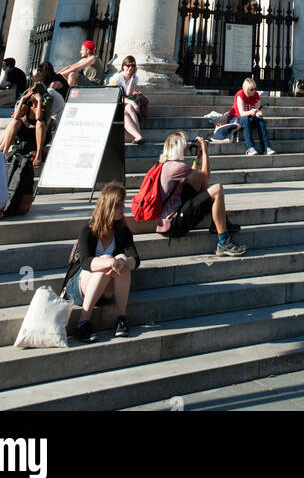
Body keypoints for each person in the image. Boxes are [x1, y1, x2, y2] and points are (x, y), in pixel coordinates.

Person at [155, 130, 246, 257]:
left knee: (201, 183)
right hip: (174, 224)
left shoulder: (168, 165)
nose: (187, 147)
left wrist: (197, 158)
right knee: (217, 189)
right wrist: (205, 148)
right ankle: (224, 242)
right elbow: (206, 175)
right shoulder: (177, 167)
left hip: (168, 221)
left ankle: (218, 222)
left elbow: (196, 177)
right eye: (185, 145)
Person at [71, 182, 139, 342]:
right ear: (108, 206)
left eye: (123, 204)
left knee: (122, 260)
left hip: (106, 290)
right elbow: (85, 262)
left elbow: (135, 258)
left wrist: (126, 263)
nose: (124, 209)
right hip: (80, 288)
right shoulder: (88, 230)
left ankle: (121, 319)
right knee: (108, 260)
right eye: (119, 205)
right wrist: (109, 263)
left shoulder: (123, 231)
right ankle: (82, 323)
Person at [0, 82, 54, 166]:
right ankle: (5, 153)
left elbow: (38, 117)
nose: (33, 96)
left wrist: (40, 100)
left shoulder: (43, 106)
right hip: (26, 133)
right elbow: (15, 116)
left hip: (39, 135)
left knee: (40, 123)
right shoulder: (26, 106)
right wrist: (23, 99)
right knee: (15, 122)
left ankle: (38, 155)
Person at [233, 77, 275, 156]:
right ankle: (250, 148)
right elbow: (241, 113)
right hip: (237, 118)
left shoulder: (256, 95)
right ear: (246, 89)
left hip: (250, 118)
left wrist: (258, 113)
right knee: (245, 119)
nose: (254, 91)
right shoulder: (240, 95)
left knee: (260, 120)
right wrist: (251, 112)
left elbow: (257, 109)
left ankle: (266, 148)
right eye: (251, 89)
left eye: (255, 89)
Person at [111, 56, 146, 145]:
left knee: (130, 107)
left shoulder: (135, 78)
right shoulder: (116, 78)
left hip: (125, 102)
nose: (130, 68)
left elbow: (128, 94)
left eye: (132, 66)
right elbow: (115, 96)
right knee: (126, 113)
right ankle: (138, 135)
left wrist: (131, 79)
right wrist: (132, 102)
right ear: (123, 66)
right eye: (128, 65)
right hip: (115, 103)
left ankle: (138, 136)